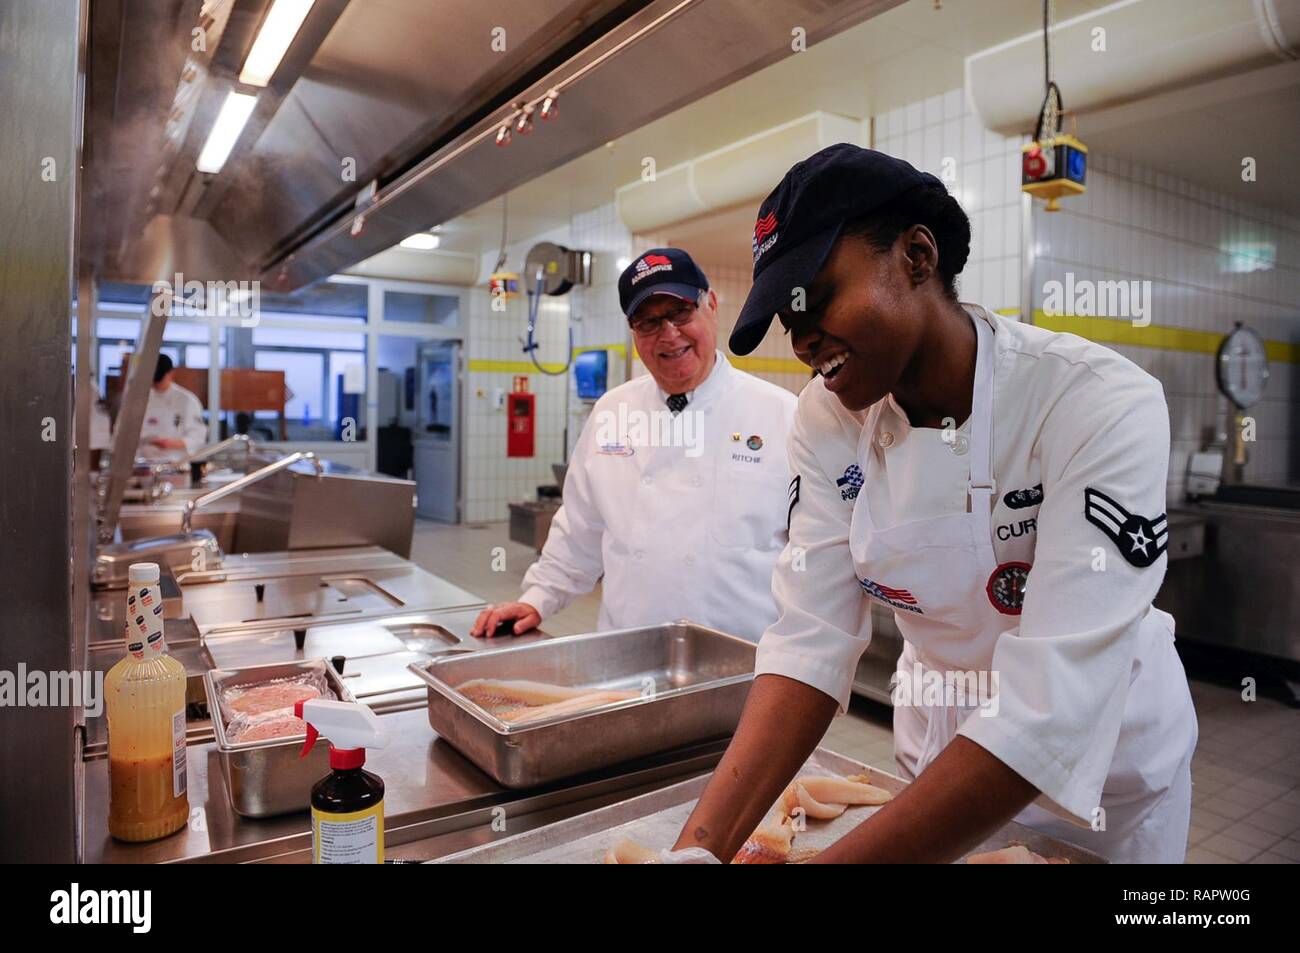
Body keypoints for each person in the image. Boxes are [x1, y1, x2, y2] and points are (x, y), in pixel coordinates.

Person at [670, 144, 1197, 863]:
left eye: (816, 298)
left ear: (917, 256)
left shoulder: (1093, 403)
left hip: (1103, 784)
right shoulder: (828, 421)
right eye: (787, 322)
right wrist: (697, 849)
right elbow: (812, 639)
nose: (801, 341)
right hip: (942, 762)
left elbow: (1050, 708)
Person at [471, 248, 798, 642]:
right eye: (648, 322)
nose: (669, 334)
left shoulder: (781, 415)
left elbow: (815, 556)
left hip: (746, 663)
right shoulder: (613, 412)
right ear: (633, 332)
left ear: (710, 304)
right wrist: (538, 598)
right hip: (627, 653)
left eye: (681, 312)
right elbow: (580, 532)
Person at [127, 354, 208, 461]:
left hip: (174, 463)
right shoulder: (140, 398)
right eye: (153, 380)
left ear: (171, 373)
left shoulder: (187, 401)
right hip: (143, 462)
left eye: (160, 380)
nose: (156, 384)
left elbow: (197, 437)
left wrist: (170, 443)